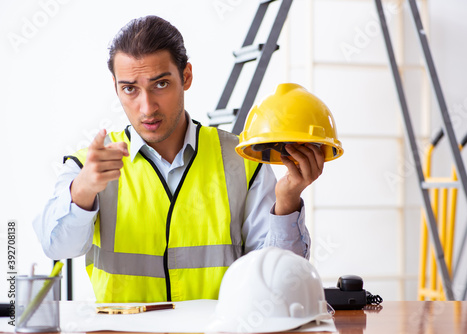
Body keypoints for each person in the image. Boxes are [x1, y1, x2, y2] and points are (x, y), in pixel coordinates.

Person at [33, 15, 325, 303]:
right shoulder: (87, 167)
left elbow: (279, 282)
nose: (146, 108)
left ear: (186, 76)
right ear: (116, 87)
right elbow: (57, 247)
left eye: (160, 84)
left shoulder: (244, 161)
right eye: (130, 88)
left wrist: (287, 203)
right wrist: (82, 191)